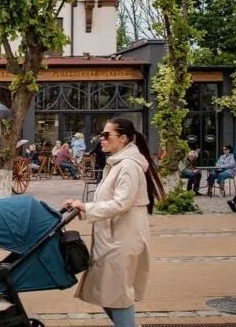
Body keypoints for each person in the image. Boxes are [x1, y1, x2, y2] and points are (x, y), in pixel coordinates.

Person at [63, 118, 164, 327]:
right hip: (112, 237)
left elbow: (121, 203)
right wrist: (81, 206)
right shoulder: (118, 163)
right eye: (102, 134)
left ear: (123, 138)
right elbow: (108, 200)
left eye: (107, 135)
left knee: (117, 295)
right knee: (108, 292)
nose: (102, 138)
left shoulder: (128, 166)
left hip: (122, 238)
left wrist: (86, 207)